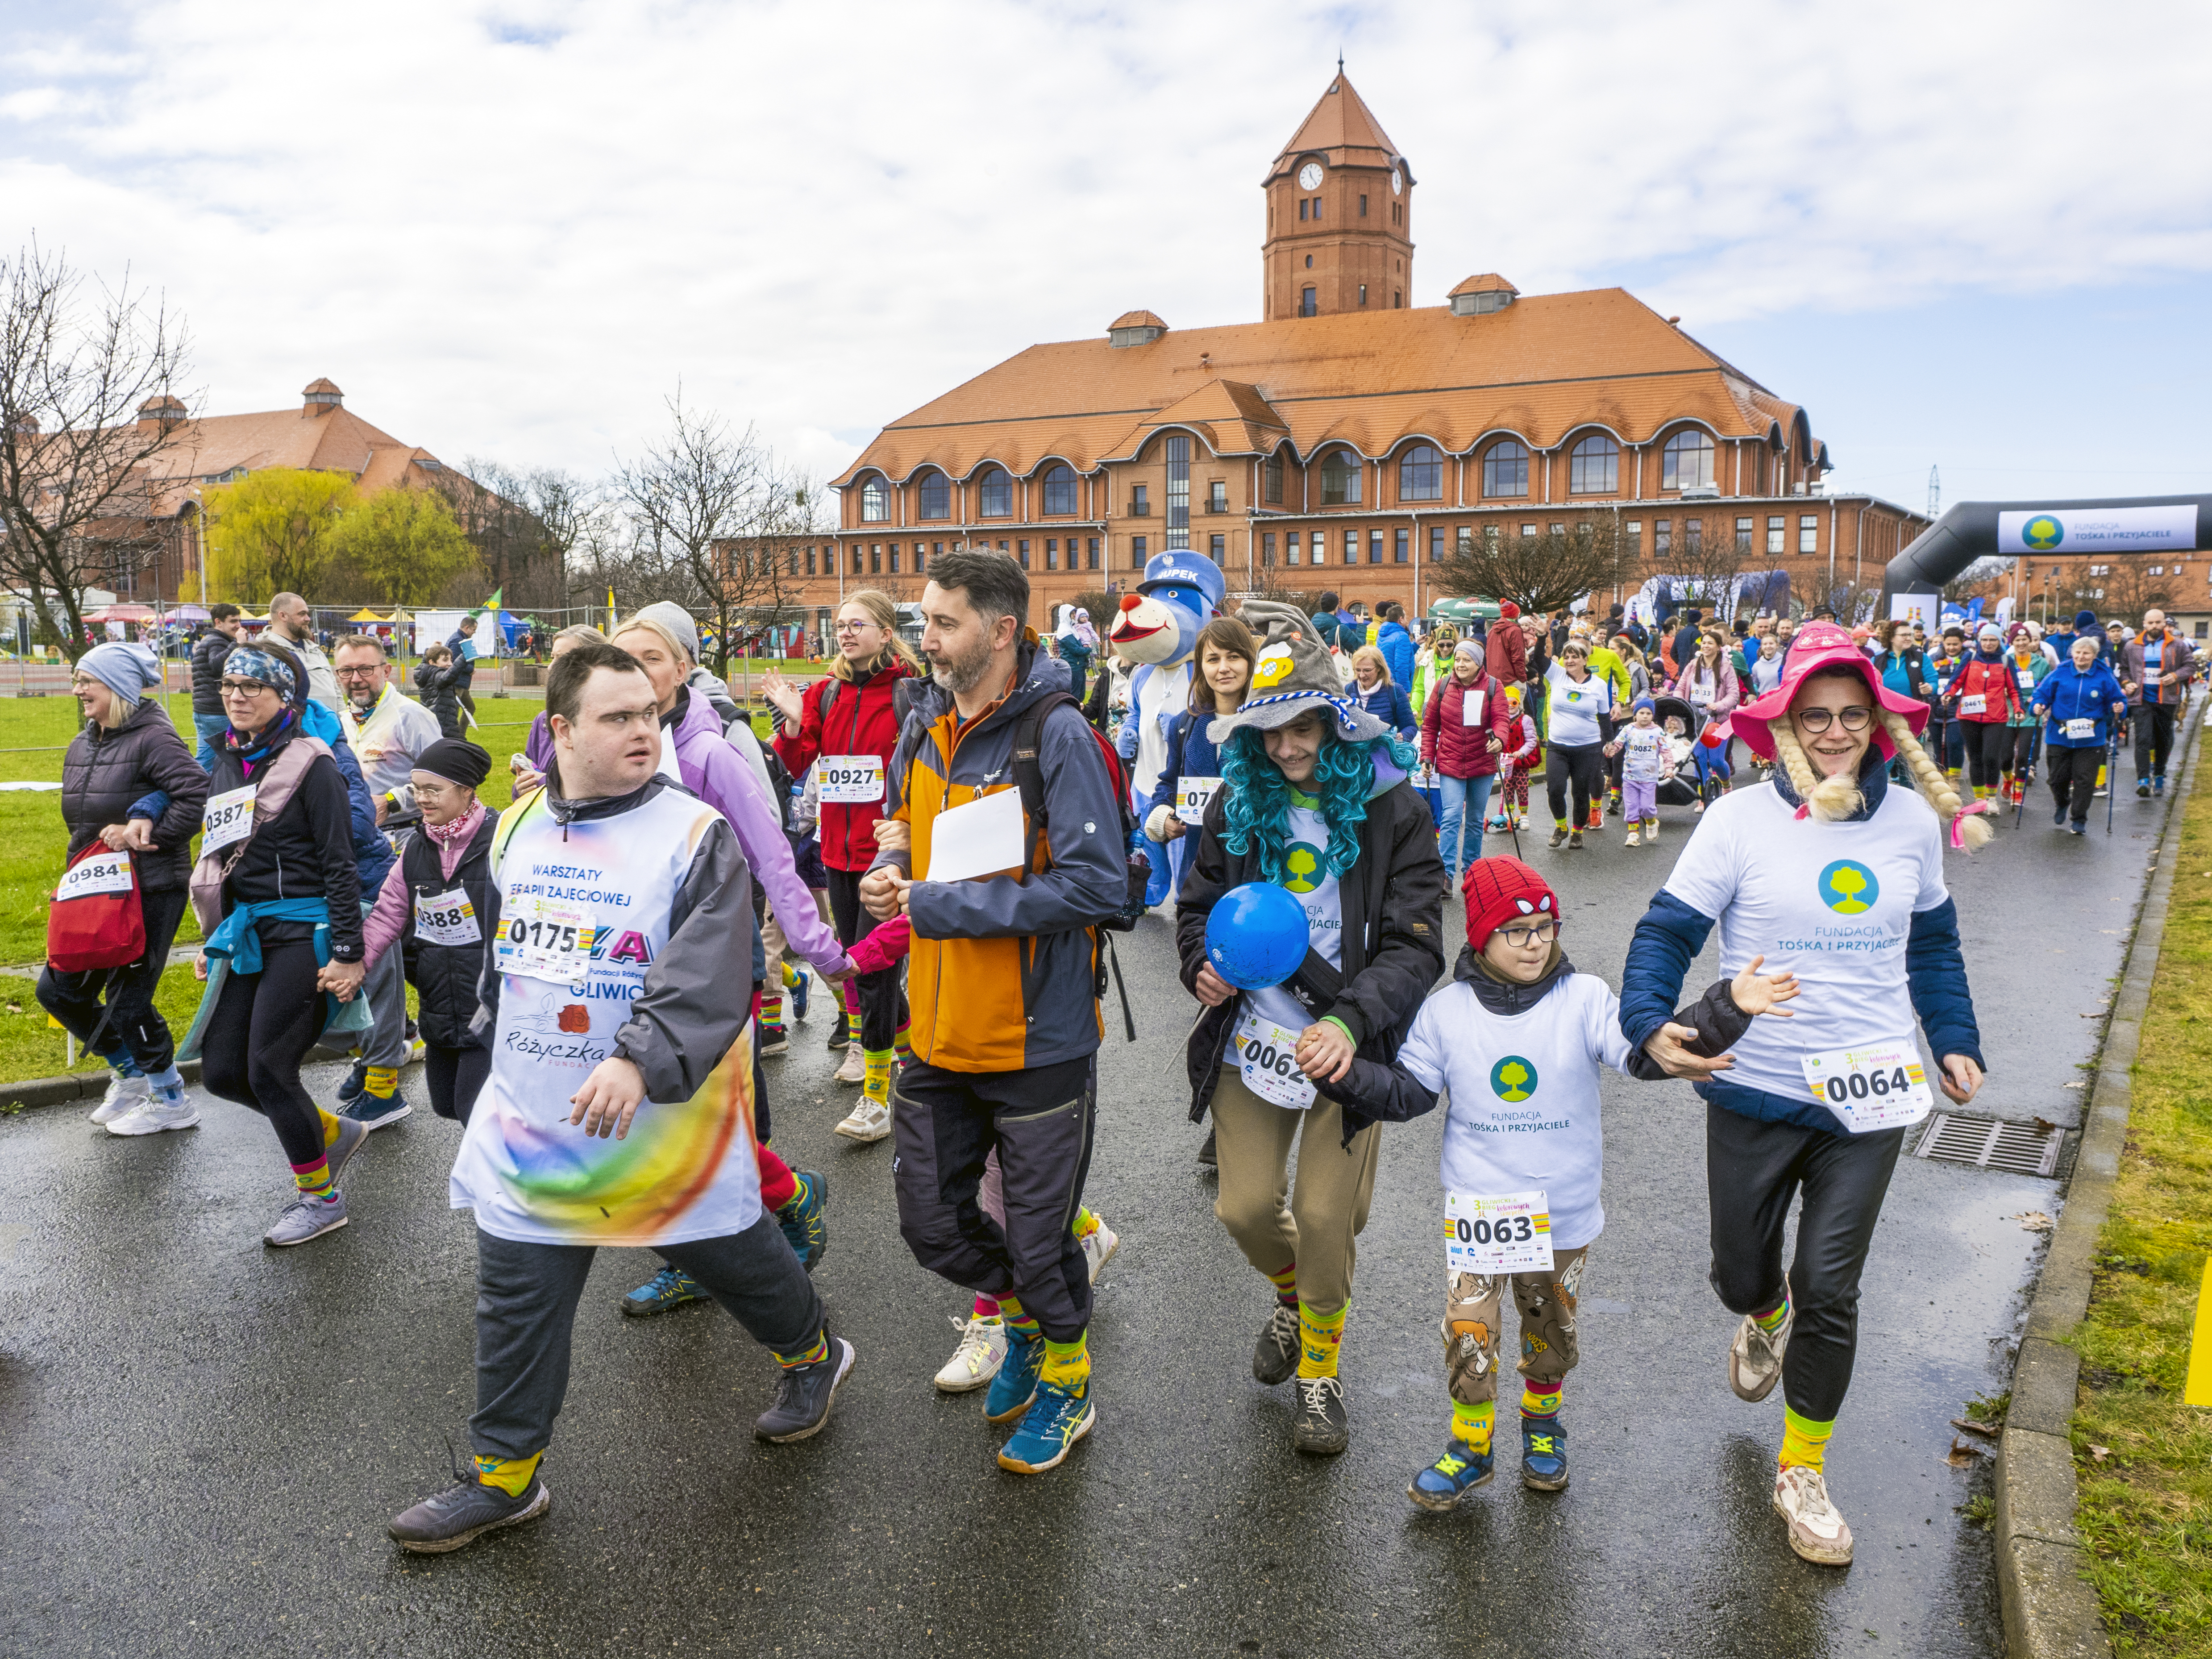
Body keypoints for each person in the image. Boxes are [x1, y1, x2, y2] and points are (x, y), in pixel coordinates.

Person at [387, 642, 851, 1554]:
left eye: (650, 712)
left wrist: (638, 1059)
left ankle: (814, 1354)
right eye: (617, 716)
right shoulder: (514, 828)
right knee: (516, 1296)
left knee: (735, 1262)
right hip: (537, 1122)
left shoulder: (693, 832)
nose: (644, 729)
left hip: (664, 1127)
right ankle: (504, 1476)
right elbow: (505, 959)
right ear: (560, 729)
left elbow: (711, 968)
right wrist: (483, 1057)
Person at [1620, 618, 1987, 1568]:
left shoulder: (1909, 820)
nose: (1834, 732)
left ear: (1879, 721)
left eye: (1852, 714)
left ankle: (1803, 1469)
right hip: (1756, 1087)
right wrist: (1649, 1020)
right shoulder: (1737, 819)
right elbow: (1664, 932)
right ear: (1782, 720)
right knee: (1745, 1272)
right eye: (1815, 714)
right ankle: (1761, 1310)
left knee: (1833, 1284)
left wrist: (1953, 1038)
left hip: (1870, 1098)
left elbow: (1933, 944)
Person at [1328, 857, 1791, 1508]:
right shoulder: (1446, 1012)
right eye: (1517, 931)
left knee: (1550, 1332)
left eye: (1546, 926)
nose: (1537, 941)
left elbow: (1646, 1054)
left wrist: (1727, 1009)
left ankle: (1543, 1428)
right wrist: (1342, 1075)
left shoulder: (1587, 999)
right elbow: (1408, 1092)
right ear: (1482, 937)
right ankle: (1471, 1445)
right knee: (1471, 1331)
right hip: (1482, 1213)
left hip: (1563, 1213)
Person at [859, 549, 1128, 1476]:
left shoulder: (1058, 734)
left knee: (1039, 1240)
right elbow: (919, 843)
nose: (924, 638)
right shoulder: (927, 723)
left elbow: (1098, 887)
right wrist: (892, 873)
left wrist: (936, 904)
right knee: (931, 1224)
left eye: (943, 623)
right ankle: (1027, 1323)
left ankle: (1067, 1374)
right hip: (934, 1028)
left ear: (1002, 630)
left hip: (1037, 1038)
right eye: (924, 620)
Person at [1174, 601, 1446, 1455]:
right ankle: (1293, 1300)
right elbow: (1195, 908)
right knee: (1248, 1207)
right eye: (1269, 733)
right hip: (1251, 1034)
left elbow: (1417, 943)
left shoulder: (1393, 805)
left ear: (1335, 719)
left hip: (1348, 1037)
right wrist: (1199, 966)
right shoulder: (1234, 800)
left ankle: (1320, 1377)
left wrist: (1349, 1016)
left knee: (1329, 1217)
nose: (1287, 749)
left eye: (1302, 729)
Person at [607, 614, 853, 1310]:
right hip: (627, 963)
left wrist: (818, 948)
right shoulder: (602, 748)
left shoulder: (711, 756)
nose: (633, 670)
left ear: (683, 669)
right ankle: (712, 1244)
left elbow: (771, 852)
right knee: (655, 1127)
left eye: (650, 658)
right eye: (620, 657)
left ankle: (780, 1212)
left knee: (700, 1122)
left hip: (714, 961)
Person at [187, 642, 372, 1247]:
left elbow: (340, 864)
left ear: (284, 697)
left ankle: (320, 1198)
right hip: (249, 933)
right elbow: (223, 862)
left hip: (308, 931)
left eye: (253, 686)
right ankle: (328, 1131)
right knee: (220, 1072)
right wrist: (215, 937)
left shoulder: (312, 764)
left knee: (269, 1065)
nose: (237, 695)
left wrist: (348, 950)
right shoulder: (227, 761)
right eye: (230, 684)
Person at [764, 591, 925, 1133]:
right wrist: (791, 724)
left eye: (858, 624)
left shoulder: (909, 693)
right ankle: (901, 1056)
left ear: (885, 630)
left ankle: (877, 1099)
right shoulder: (826, 694)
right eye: (840, 626)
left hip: (888, 855)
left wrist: (903, 829)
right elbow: (800, 759)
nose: (847, 634)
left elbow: (927, 768)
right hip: (836, 849)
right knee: (857, 961)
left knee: (875, 968)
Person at [44, 644, 209, 1134]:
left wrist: (146, 833)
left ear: (115, 686)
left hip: (151, 889)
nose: (78, 690)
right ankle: (131, 1071)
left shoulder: (154, 737)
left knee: (128, 999)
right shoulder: (84, 742)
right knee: (57, 989)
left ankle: (171, 1098)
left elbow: (196, 793)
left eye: (86, 681)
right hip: (94, 891)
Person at [326, 632, 446, 1127]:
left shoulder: (411, 717)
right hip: (357, 857)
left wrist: (393, 802)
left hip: (407, 851)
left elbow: (450, 779)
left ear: (387, 671)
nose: (356, 679)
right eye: (346, 671)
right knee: (380, 961)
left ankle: (394, 1061)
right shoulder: (334, 722)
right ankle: (389, 1046)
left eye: (366, 670)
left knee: (407, 961)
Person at [358, 739, 498, 1124]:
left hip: (491, 1006)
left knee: (476, 1111)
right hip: (439, 1002)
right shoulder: (418, 848)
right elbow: (387, 914)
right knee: (446, 1106)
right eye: (417, 789)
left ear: (467, 789)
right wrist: (354, 965)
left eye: (433, 790)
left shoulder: (502, 841)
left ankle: (495, 1183)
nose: (422, 799)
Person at [1143, 614, 1256, 912]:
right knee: (1196, 957)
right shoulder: (1185, 725)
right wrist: (1163, 816)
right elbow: (1169, 782)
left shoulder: (1268, 725)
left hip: (1256, 879)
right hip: (1197, 879)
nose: (1223, 668)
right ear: (1201, 666)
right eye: (1213, 658)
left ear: (1249, 661)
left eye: (1234, 657)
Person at [1422, 639, 1511, 878]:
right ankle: (1445, 875)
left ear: (1478, 663)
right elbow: (1430, 725)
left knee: (1474, 820)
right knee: (1450, 816)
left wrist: (1501, 739)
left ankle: (1471, 873)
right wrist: (1427, 756)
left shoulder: (1493, 686)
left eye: (1466, 660)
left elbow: (1502, 719)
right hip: (1450, 762)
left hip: (1482, 762)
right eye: (1458, 659)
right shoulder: (1443, 686)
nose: (1460, 665)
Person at [2031, 634, 2128, 834]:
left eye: (2086, 653)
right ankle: (2062, 802)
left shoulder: (2104, 675)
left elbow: (2118, 699)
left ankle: (2079, 819)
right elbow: (2042, 694)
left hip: (2091, 738)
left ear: (2094, 655)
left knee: (2085, 780)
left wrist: (2119, 707)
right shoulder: (2060, 673)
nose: (2081, 657)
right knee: (2057, 779)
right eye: (2078, 652)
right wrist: (2038, 705)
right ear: (2072, 653)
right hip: (2060, 735)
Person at [516, 625, 609, 788]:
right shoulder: (543, 721)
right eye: (552, 657)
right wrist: (523, 787)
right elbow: (530, 776)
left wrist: (544, 783)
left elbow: (608, 787)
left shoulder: (611, 722)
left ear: (595, 662)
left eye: (562, 658)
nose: (551, 667)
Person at [1541, 641, 1612, 849]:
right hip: (1558, 747)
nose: (1570, 661)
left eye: (1575, 657)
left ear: (1585, 660)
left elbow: (1605, 717)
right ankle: (1561, 827)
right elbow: (1538, 659)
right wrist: (1543, 634)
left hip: (1587, 748)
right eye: (1567, 657)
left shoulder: (1598, 685)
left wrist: (1610, 741)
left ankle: (1577, 832)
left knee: (1580, 793)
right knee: (1555, 789)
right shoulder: (1557, 675)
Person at [2121, 609, 2194, 797]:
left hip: (2166, 699)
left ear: (2164, 624)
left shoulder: (2177, 645)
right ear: (2144, 624)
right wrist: (2127, 683)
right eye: (2151, 623)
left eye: (2158, 622)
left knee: (2163, 739)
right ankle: (2143, 780)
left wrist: (2176, 676)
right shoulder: (2131, 646)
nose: (2154, 626)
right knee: (2143, 739)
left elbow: (2191, 666)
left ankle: (2159, 774)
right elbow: (2124, 670)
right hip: (2141, 699)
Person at [1952, 622, 2025, 805]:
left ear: (1999, 641)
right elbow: (1956, 681)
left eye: (1993, 640)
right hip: (1970, 715)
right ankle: (1979, 799)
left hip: (1996, 716)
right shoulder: (1971, 657)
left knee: (1991, 757)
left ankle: (1992, 799)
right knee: (1976, 758)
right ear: (1979, 640)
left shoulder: (2006, 661)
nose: (1988, 643)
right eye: (1984, 640)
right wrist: (1948, 694)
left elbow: (2014, 689)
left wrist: (2018, 708)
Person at [1673, 632, 1742, 809]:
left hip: (1718, 720)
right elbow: (1680, 688)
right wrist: (1681, 704)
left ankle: (1726, 784)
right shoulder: (1693, 665)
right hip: (1696, 719)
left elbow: (1734, 694)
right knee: (1700, 759)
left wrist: (1718, 705)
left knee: (1718, 761)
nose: (1705, 646)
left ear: (1719, 647)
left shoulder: (1727, 667)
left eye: (1710, 643)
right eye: (1703, 643)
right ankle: (1704, 796)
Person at [1608, 696, 1670, 848]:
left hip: (1649, 778)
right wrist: (1610, 750)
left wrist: (1669, 768)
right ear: (1635, 714)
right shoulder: (1629, 729)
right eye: (1642, 713)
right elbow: (1618, 744)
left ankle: (1651, 822)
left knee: (1647, 808)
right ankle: (1633, 835)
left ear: (1653, 716)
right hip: (1630, 777)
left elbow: (1666, 751)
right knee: (1631, 807)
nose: (1645, 716)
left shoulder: (1658, 732)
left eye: (1649, 714)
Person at [2000, 625, 2051, 804]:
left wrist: (2037, 697)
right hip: (2007, 713)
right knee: (2005, 758)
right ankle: (2008, 779)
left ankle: (2019, 793)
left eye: (2025, 640)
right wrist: (2003, 691)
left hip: (2031, 714)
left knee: (2023, 757)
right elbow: (1994, 685)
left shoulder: (2041, 663)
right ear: (2012, 643)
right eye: (2017, 640)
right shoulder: (2005, 661)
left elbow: (2047, 687)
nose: (2021, 643)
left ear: (2031, 642)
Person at [188, 604, 244, 759]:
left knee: (206, 759)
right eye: (233, 621)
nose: (238, 625)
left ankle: (200, 783)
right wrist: (238, 644)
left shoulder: (210, 640)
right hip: (217, 709)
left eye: (239, 621)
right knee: (232, 759)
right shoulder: (217, 641)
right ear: (218, 622)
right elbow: (218, 666)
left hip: (203, 710)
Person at [268, 592, 340, 711]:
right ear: (283, 616)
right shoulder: (269, 652)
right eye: (302, 614)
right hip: (299, 726)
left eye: (307, 614)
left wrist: (341, 717)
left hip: (330, 724)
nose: (308, 619)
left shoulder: (314, 649)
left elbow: (335, 690)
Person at [1485, 684, 1541, 835]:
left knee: (1522, 787)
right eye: (1507, 703)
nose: (1510, 706)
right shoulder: (1499, 720)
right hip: (1505, 761)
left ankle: (1523, 815)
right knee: (1507, 788)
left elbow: (1532, 740)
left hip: (1520, 761)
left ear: (1519, 704)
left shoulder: (1525, 720)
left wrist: (1521, 752)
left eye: (1514, 703)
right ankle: (1507, 813)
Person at [1347, 644, 1417, 744]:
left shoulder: (1395, 691)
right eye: (1358, 670)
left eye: (1367, 670)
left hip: (1383, 753)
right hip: (1354, 754)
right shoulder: (1348, 690)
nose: (1362, 675)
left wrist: (1402, 736)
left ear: (1379, 668)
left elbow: (1410, 726)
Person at [416, 643, 468, 740]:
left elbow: (427, 662)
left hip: (434, 723)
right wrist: (464, 657)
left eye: (451, 660)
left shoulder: (427, 672)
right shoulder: (437, 674)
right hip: (443, 724)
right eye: (445, 660)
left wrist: (429, 650)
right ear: (432, 662)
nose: (450, 664)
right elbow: (446, 678)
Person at [1055, 605, 1098, 705]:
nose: (1075, 615)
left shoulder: (1071, 628)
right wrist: (1089, 649)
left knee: (1080, 695)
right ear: (1067, 615)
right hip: (1074, 666)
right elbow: (1076, 650)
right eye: (1073, 614)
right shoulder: (1065, 630)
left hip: (1078, 665)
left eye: (1075, 613)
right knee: (1075, 695)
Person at [1374, 603, 1416, 689]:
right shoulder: (1402, 636)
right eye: (1406, 617)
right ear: (1401, 619)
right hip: (1396, 685)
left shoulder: (1382, 634)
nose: (1407, 620)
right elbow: (1401, 666)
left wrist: (1417, 644)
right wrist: (1405, 690)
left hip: (1384, 681)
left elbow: (1401, 653)